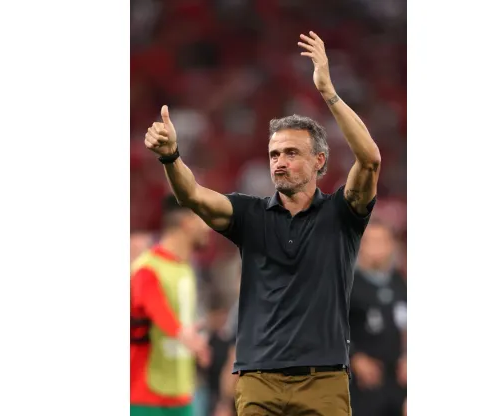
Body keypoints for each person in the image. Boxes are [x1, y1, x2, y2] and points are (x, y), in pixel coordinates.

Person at [144, 31, 381, 416]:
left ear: (320, 161)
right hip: (257, 380)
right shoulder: (248, 214)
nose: (279, 162)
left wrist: (328, 92)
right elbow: (193, 195)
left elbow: (369, 160)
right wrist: (171, 158)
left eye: (291, 152)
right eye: (273, 154)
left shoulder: (342, 213)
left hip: (322, 381)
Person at [130, 195, 213, 416]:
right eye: (202, 219)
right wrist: (182, 334)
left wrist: (196, 341)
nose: (209, 228)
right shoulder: (146, 268)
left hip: (181, 394)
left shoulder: (185, 269)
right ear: (186, 223)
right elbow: (157, 309)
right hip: (145, 398)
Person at [348, 220, 407, 416]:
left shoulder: (400, 283)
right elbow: (332, 328)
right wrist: (355, 358)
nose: (377, 247)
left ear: (391, 245)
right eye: (371, 241)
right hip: (362, 383)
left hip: (397, 381)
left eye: (382, 241)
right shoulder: (348, 286)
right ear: (360, 245)